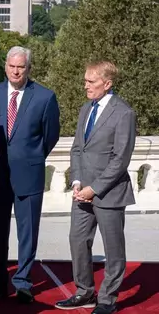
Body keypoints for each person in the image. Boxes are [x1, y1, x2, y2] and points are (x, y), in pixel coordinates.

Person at [55, 61, 136, 314]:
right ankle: (84, 292)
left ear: (107, 83)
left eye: (91, 81)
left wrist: (95, 188)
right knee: (78, 241)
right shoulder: (85, 109)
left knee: (113, 249)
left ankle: (107, 300)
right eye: (85, 80)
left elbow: (120, 159)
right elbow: (77, 148)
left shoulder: (124, 113)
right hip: (82, 191)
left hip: (110, 193)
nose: (85, 85)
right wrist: (78, 181)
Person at [0, 46, 60, 304]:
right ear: (5, 66)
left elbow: (50, 136)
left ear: (29, 68)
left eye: (21, 67)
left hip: (29, 174)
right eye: (12, 66)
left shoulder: (45, 97)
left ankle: (24, 281)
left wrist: (31, 158)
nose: (16, 71)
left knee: (27, 231)